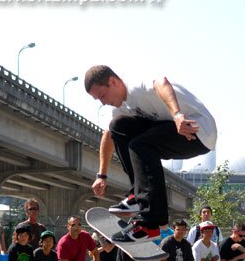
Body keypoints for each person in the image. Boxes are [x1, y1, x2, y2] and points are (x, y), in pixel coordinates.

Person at [84, 65, 217, 242]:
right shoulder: (122, 108)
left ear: (113, 81)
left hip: (196, 130)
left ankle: (151, 222)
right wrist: (102, 175)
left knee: (140, 145)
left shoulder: (136, 85)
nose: (103, 102)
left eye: (102, 96)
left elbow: (162, 83)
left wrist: (177, 114)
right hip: (168, 129)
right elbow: (108, 136)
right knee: (118, 126)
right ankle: (136, 195)